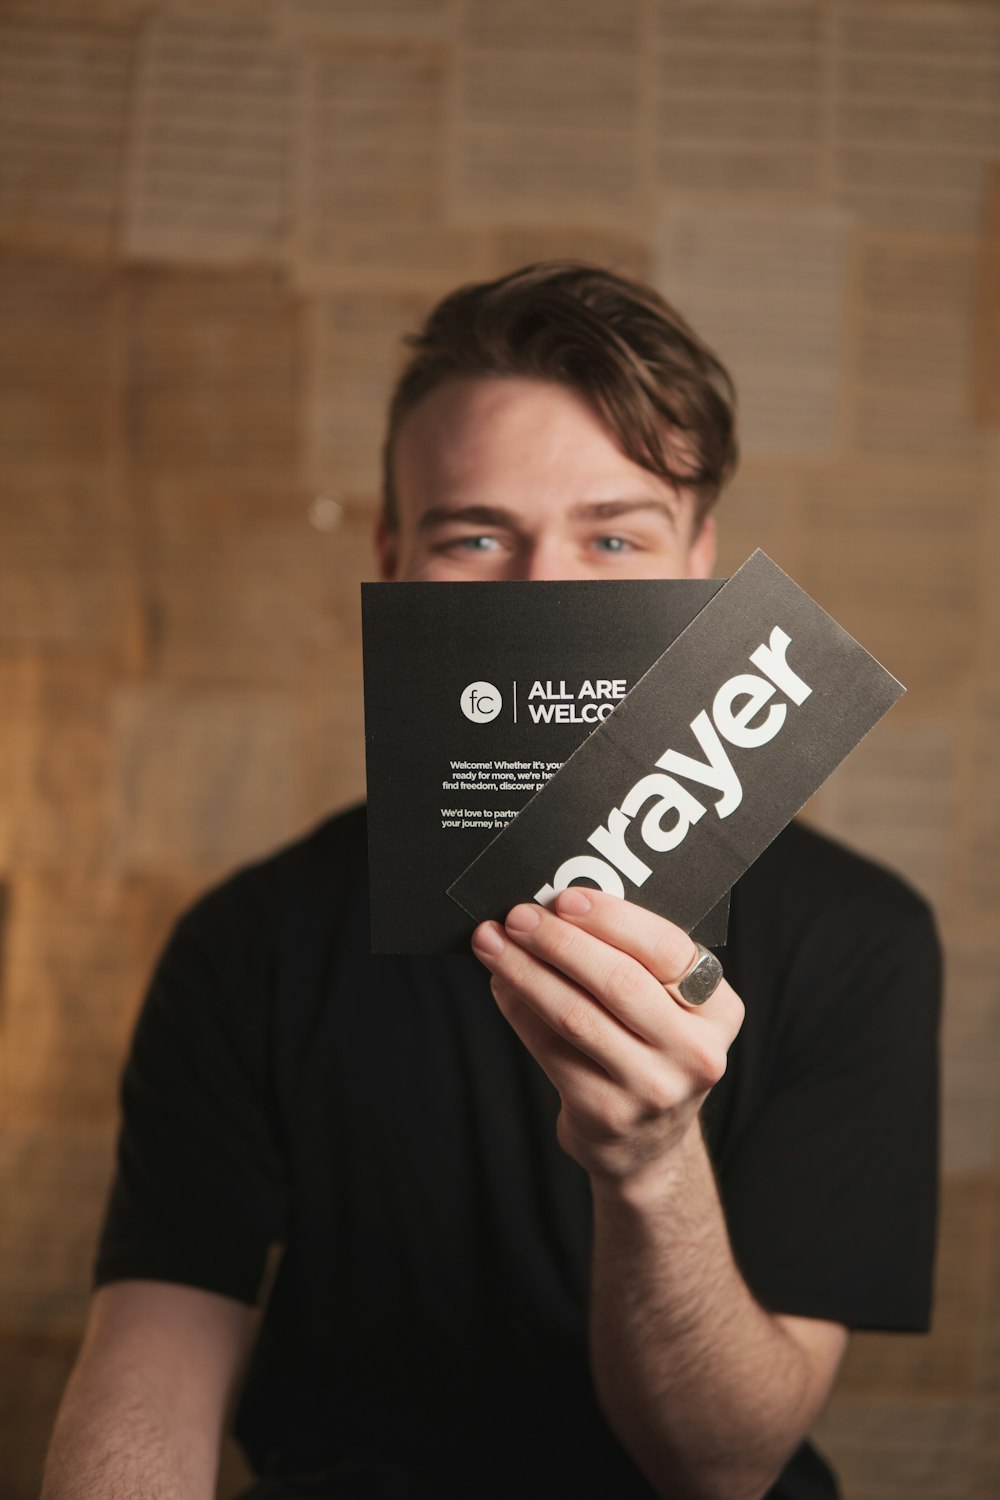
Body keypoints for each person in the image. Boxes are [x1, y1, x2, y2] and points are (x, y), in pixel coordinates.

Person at [42, 264, 940, 1500]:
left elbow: (727, 1466)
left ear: (701, 563)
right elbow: (153, 1364)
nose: (545, 594)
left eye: (613, 536)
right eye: (475, 535)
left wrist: (649, 1163)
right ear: (392, 555)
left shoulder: (861, 938)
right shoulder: (243, 941)